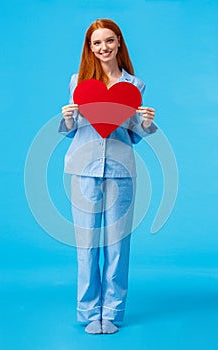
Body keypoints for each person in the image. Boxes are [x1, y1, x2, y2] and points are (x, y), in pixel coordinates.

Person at [59, 19, 157, 334]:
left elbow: (135, 137)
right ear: (90, 48)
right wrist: (68, 119)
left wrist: (146, 122)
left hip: (120, 171)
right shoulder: (78, 82)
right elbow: (71, 133)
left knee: (117, 244)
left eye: (109, 41)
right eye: (97, 43)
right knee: (87, 244)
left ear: (119, 43)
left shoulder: (135, 85)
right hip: (83, 170)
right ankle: (89, 312)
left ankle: (112, 311)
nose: (104, 48)